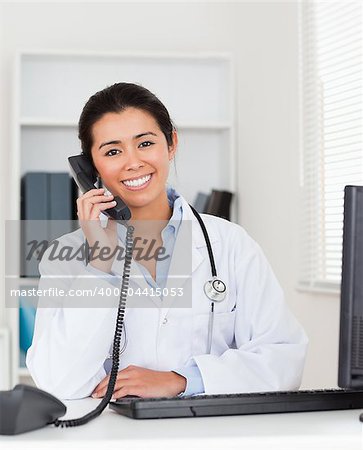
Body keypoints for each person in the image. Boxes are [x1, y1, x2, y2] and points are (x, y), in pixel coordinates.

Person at [26, 82, 308, 400]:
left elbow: (283, 358)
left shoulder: (230, 244)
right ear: (91, 168)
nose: (133, 162)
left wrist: (181, 380)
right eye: (113, 151)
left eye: (145, 143)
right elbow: (57, 382)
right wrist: (100, 264)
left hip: (211, 435)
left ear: (171, 144)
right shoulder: (66, 256)